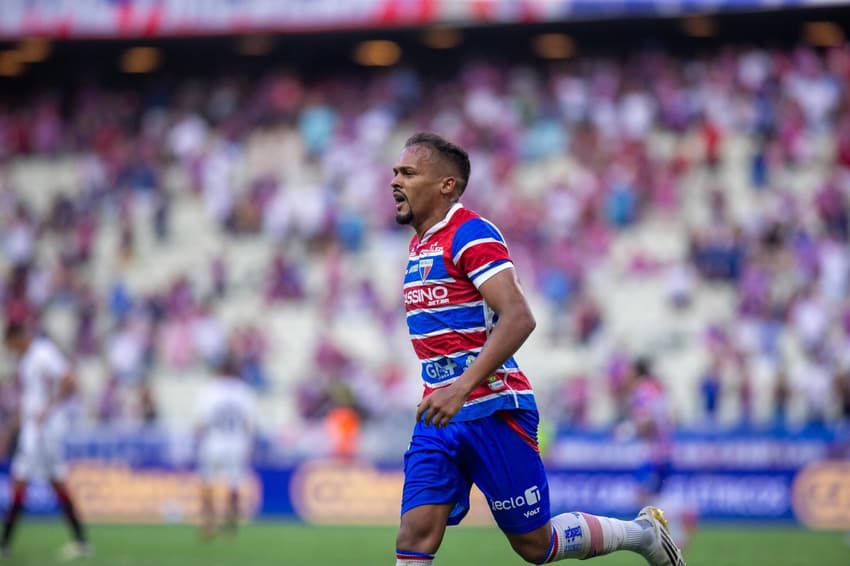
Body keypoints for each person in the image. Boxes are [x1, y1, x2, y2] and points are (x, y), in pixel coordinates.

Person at [390, 132, 685, 566]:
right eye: (395, 172)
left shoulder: (470, 233)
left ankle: (642, 534)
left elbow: (519, 316)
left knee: (535, 546)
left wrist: (461, 389)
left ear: (446, 185)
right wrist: (447, 392)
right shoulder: (420, 245)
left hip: (493, 408)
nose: (395, 180)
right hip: (439, 415)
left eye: (408, 173)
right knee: (415, 535)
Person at [0, 323, 90, 561]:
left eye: (9, 344)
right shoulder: (26, 360)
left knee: (34, 479)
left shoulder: (43, 352)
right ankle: (80, 540)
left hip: (45, 430)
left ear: (17, 338)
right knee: (43, 479)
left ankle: (6, 543)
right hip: (33, 428)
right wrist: (10, 431)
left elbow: (69, 380)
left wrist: (48, 410)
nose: (9, 350)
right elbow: (28, 399)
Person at [193, 355, 257, 538]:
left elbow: (201, 423)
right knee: (234, 485)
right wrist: (249, 444)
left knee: (206, 483)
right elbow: (249, 424)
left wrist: (196, 440)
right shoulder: (245, 392)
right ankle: (231, 526)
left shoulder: (209, 390)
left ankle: (207, 524)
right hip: (237, 443)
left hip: (213, 442)